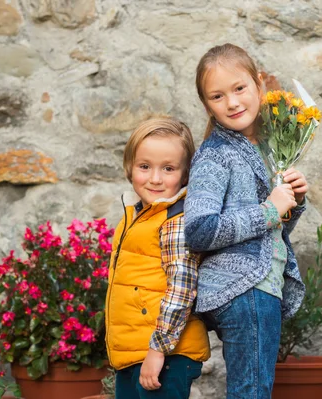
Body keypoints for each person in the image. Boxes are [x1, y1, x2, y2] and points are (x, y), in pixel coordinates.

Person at [185, 43, 308, 398]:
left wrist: (293, 202)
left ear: (258, 84)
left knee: (254, 390)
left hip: (261, 285)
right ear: (207, 104)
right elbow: (200, 230)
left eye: (239, 89)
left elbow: (270, 232)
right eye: (218, 96)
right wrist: (270, 209)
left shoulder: (267, 146)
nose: (233, 102)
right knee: (250, 392)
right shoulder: (216, 155)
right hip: (243, 288)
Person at [105, 118, 210, 399]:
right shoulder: (136, 216)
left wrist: (158, 349)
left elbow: (182, 287)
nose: (155, 178)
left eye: (168, 168)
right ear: (130, 168)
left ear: (185, 174)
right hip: (135, 352)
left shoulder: (175, 220)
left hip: (164, 354)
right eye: (144, 166)